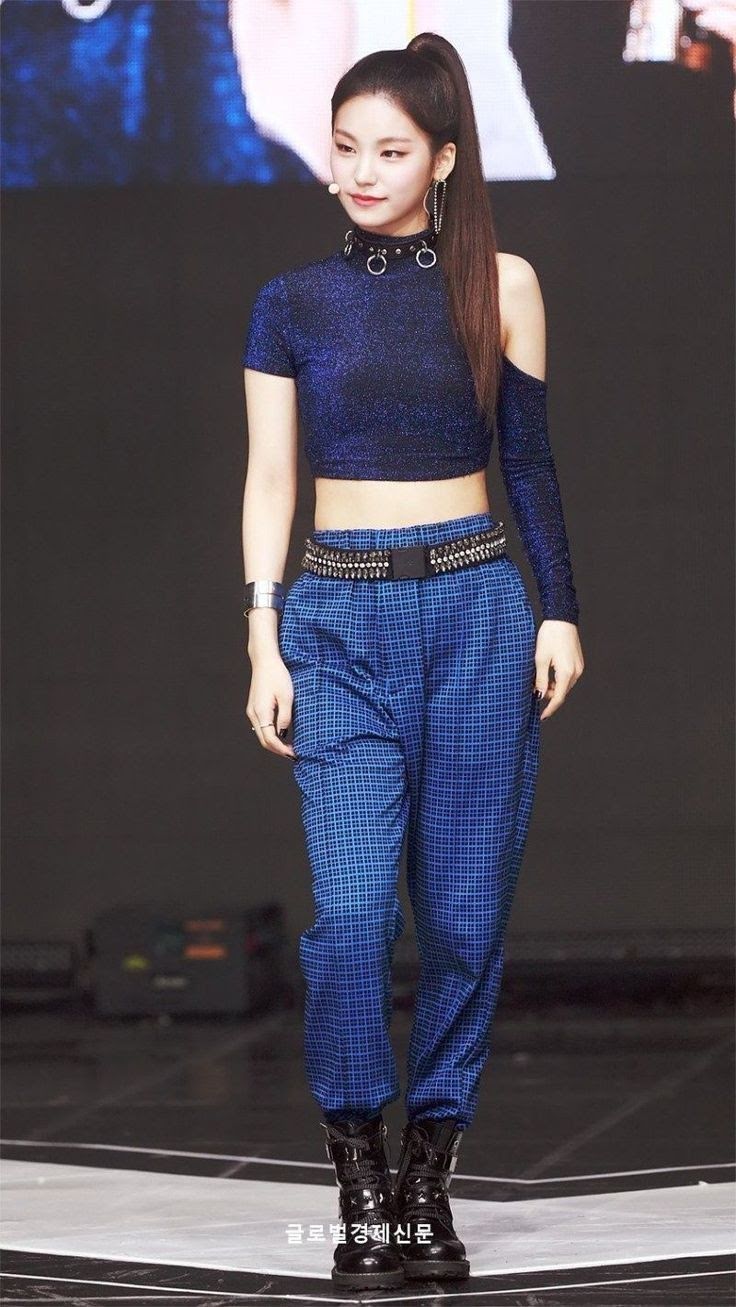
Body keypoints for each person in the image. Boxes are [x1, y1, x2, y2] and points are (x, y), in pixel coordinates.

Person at [241, 31, 584, 1292]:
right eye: (345, 147)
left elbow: (529, 461)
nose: (360, 172)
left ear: (442, 158)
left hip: (479, 610)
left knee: (465, 917)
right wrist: (261, 629)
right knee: (348, 919)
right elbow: (270, 479)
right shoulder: (291, 302)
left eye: (390, 150)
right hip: (335, 618)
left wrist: (559, 610)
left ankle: (427, 1178)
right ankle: (357, 1174)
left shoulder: (503, 282)